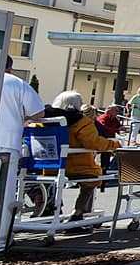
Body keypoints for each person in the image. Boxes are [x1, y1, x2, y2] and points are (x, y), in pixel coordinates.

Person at [0, 55, 45, 251]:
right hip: (6, 142)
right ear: (10, 68)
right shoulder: (17, 84)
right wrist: (21, 118)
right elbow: (38, 113)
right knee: (3, 192)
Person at [47, 91, 121, 224]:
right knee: (92, 179)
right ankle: (79, 212)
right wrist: (115, 144)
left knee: (51, 182)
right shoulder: (81, 122)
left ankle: (48, 207)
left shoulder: (45, 120)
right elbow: (94, 142)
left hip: (48, 166)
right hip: (77, 167)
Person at [95, 104, 123, 174]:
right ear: (110, 111)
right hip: (101, 140)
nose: (117, 112)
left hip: (109, 141)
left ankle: (104, 171)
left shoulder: (114, 118)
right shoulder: (103, 118)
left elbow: (118, 126)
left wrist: (121, 128)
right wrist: (116, 129)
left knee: (106, 157)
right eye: (116, 111)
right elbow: (104, 128)